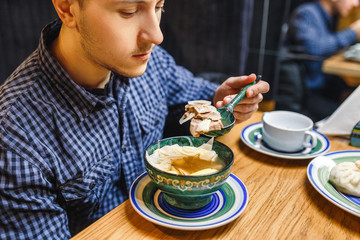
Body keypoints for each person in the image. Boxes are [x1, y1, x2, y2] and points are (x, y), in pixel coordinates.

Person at [0, 0, 269, 239]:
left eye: (159, 7)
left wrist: (221, 103)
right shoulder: (14, 138)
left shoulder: (149, 61)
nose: (157, 35)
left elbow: (191, 102)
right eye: (129, 12)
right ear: (67, 8)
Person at [278, 0, 360, 121]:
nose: (355, 4)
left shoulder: (329, 17)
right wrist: (353, 32)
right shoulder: (306, 13)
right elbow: (314, 48)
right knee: (348, 118)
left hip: (319, 87)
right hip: (305, 94)